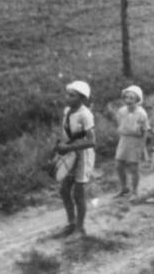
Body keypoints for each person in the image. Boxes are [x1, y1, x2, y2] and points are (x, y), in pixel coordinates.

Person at [57, 80, 96, 237]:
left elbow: (92, 141)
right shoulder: (68, 111)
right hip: (70, 154)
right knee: (64, 190)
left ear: (82, 98)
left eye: (72, 96)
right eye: (67, 94)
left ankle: (80, 228)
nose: (67, 98)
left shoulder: (85, 114)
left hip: (83, 156)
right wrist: (61, 145)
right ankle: (71, 222)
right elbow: (66, 132)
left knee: (78, 194)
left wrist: (69, 147)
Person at [114, 85, 149, 202]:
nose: (128, 101)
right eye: (126, 98)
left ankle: (134, 191)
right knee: (119, 165)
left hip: (136, 142)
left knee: (133, 168)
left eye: (131, 98)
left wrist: (142, 147)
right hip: (124, 140)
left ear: (137, 100)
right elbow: (119, 123)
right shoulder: (121, 111)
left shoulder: (141, 113)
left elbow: (145, 131)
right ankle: (124, 187)